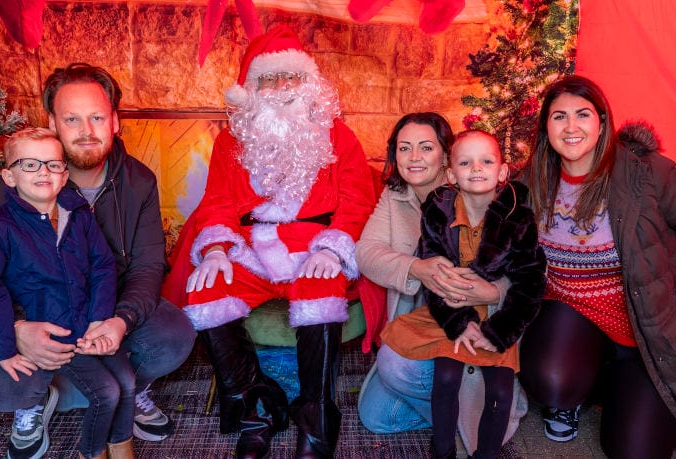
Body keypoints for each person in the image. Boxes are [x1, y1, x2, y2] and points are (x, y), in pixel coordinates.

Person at [180, 25, 376, 458]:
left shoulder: (338, 135)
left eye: (292, 77)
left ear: (310, 83)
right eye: (270, 79)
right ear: (252, 88)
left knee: (321, 288)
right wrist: (214, 250)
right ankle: (258, 407)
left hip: (315, 244)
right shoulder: (231, 141)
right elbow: (216, 202)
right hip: (250, 248)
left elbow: (359, 199)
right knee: (205, 290)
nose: (282, 88)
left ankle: (316, 417)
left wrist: (332, 246)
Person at [0, 63, 196, 444]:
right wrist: (17, 329)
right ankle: (36, 402)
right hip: (42, 309)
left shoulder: (139, 180)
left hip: (106, 305)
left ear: (114, 120)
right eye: (72, 119)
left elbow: (148, 266)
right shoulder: (24, 180)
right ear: (53, 123)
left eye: (97, 117)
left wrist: (121, 320)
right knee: (3, 386)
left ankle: (130, 392)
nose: (86, 132)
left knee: (173, 334)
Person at [518, 75, 676, 458]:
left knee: (636, 452)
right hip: (571, 314)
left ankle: (613, 383)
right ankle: (574, 388)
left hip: (644, 327)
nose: (571, 127)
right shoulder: (531, 180)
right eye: (559, 117)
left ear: (602, 122)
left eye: (582, 115)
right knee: (551, 381)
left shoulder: (647, 172)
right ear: (546, 128)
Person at [355, 114, 527, 456]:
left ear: (445, 156)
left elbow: (524, 267)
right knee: (376, 417)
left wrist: (493, 292)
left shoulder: (478, 194)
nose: (414, 157)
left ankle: (476, 415)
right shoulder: (396, 196)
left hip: (474, 327)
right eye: (404, 148)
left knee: (395, 364)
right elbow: (366, 253)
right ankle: (459, 417)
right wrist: (417, 268)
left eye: (425, 147)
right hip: (425, 321)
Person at [0, 127, 135, 459]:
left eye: (53, 164)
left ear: (64, 174)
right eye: (30, 164)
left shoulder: (79, 215)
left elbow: (101, 266)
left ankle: (122, 447)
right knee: (107, 392)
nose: (43, 172)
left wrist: (100, 320)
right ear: (9, 177)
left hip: (85, 322)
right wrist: (3, 348)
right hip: (54, 334)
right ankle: (92, 452)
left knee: (126, 381)